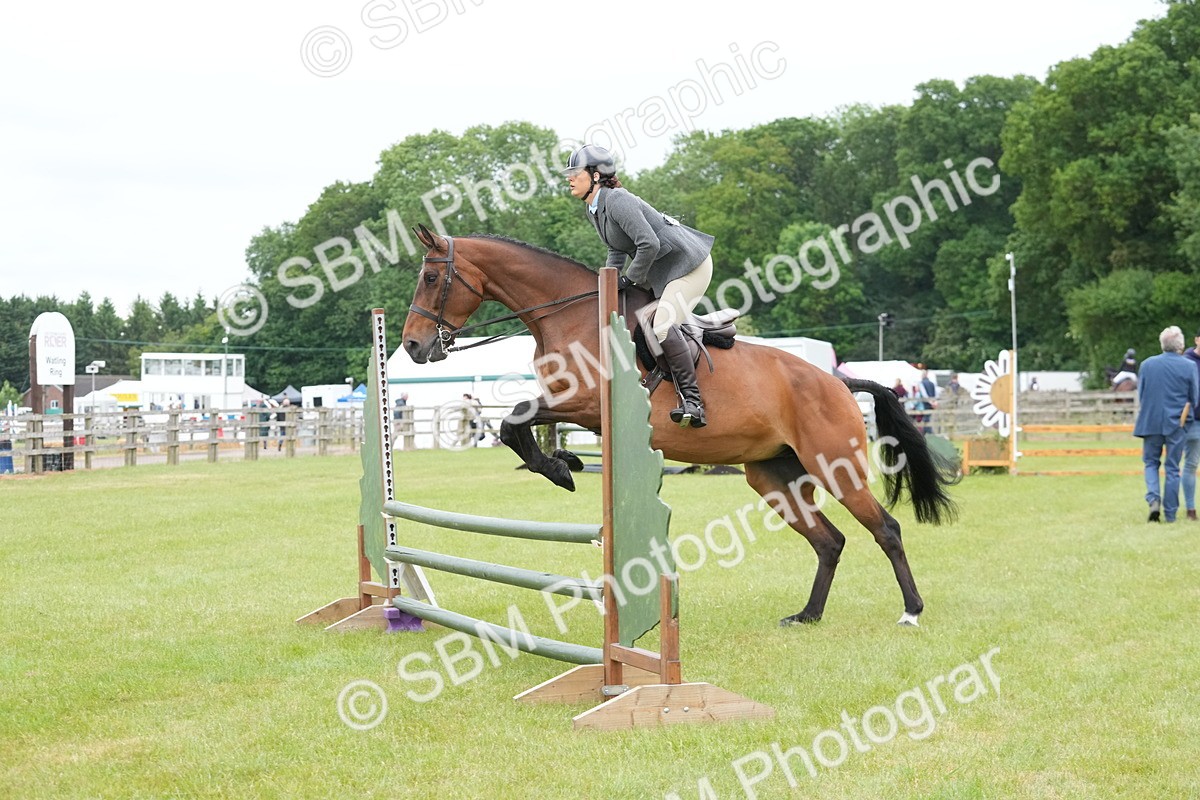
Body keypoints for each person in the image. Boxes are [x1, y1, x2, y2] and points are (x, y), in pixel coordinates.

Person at [564, 144, 715, 428]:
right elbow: (616, 250)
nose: (569, 178)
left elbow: (649, 244)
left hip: (689, 267)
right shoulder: (594, 208)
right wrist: (607, 282)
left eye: (575, 172)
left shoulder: (618, 200)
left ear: (596, 176)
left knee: (661, 325)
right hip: (663, 271)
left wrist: (629, 279)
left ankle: (693, 402)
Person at [1133, 326, 1199, 523]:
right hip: (1176, 424)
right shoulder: (1188, 366)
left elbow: (1142, 395)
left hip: (1150, 421)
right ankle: (1170, 514)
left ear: (1162, 344)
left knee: (1151, 463)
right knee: (1172, 467)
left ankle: (1153, 498)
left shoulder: (1146, 365)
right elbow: (1193, 398)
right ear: (1180, 345)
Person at [1183, 327, 1200, 521]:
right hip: (1194, 419)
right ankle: (1191, 508)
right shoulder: (1187, 362)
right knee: (1191, 463)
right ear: (1196, 339)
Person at [915, 367, 937, 434]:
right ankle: (923, 433)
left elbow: (924, 395)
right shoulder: (932, 383)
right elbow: (935, 394)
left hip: (926, 404)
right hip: (932, 403)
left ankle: (926, 434)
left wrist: (930, 402)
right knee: (927, 418)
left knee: (926, 419)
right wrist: (934, 402)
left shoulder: (921, 383)